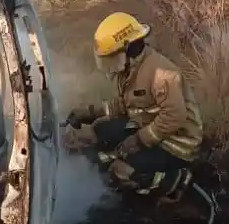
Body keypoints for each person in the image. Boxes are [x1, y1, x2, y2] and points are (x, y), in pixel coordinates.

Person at [64, 12, 203, 201]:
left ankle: (175, 180)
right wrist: (91, 113)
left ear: (127, 49)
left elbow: (174, 117)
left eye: (110, 58)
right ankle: (120, 161)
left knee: (122, 171)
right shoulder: (131, 69)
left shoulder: (161, 74)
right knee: (99, 132)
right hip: (149, 128)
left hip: (176, 143)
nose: (108, 65)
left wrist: (138, 140)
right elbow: (127, 104)